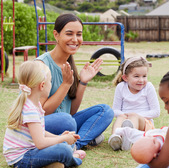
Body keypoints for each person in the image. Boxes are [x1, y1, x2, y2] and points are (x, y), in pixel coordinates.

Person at [35, 13, 114, 150]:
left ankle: (76, 144)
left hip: (66, 123)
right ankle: (83, 137)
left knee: (105, 111)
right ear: (56, 35)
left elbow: (71, 111)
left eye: (79, 34)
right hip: (40, 125)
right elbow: (41, 112)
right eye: (69, 34)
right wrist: (65, 85)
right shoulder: (41, 66)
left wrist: (83, 82)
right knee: (67, 121)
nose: (75, 39)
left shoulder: (68, 64)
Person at [3, 61, 85, 168]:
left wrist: (59, 136)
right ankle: (73, 158)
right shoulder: (30, 109)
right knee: (63, 150)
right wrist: (62, 139)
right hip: (22, 158)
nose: (51, 84)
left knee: (63, 142)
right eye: (50, 81)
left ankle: (50, 165)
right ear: (42, 85)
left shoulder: (35, 105)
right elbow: (40, 143)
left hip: (31, 151)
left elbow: (41, 132)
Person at [108, 56, 160, 151]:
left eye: (144, 76)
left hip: (144, 124)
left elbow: (156, 112)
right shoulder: (121, 87)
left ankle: (129, 139)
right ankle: (116, 138)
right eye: (136, 76)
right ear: (125, 77)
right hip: (125, 119)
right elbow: (115, 110)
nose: (141, 80)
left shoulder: (148, 87)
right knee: (120, 117)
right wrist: (124, 115)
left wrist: (135, 115)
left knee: (134, 117)